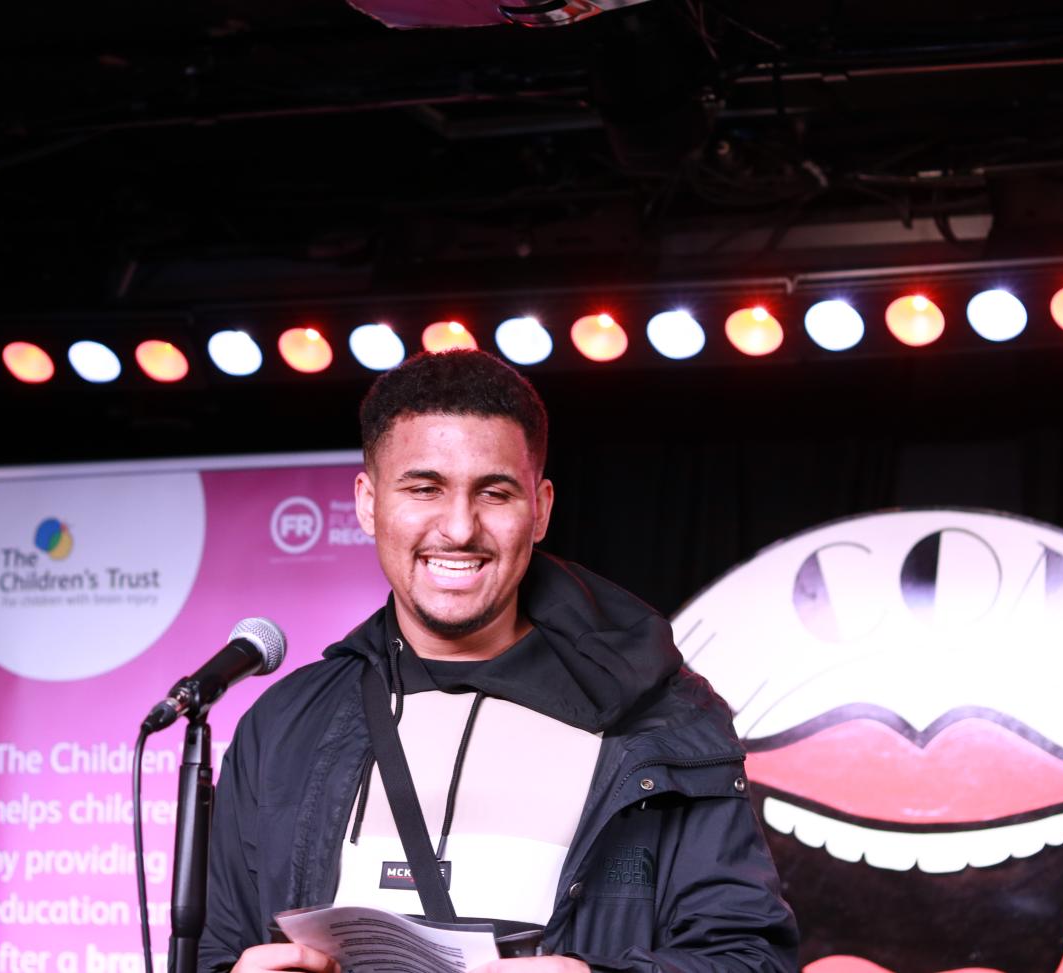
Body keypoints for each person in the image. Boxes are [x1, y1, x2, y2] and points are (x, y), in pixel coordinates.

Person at [199, 349, 798, 973]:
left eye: (494, 492)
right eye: (424, 488)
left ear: (539, 509)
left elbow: (751, 957)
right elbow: (216, 952)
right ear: (367, 502)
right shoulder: (284, 724)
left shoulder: (664, 719)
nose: (458, 528)